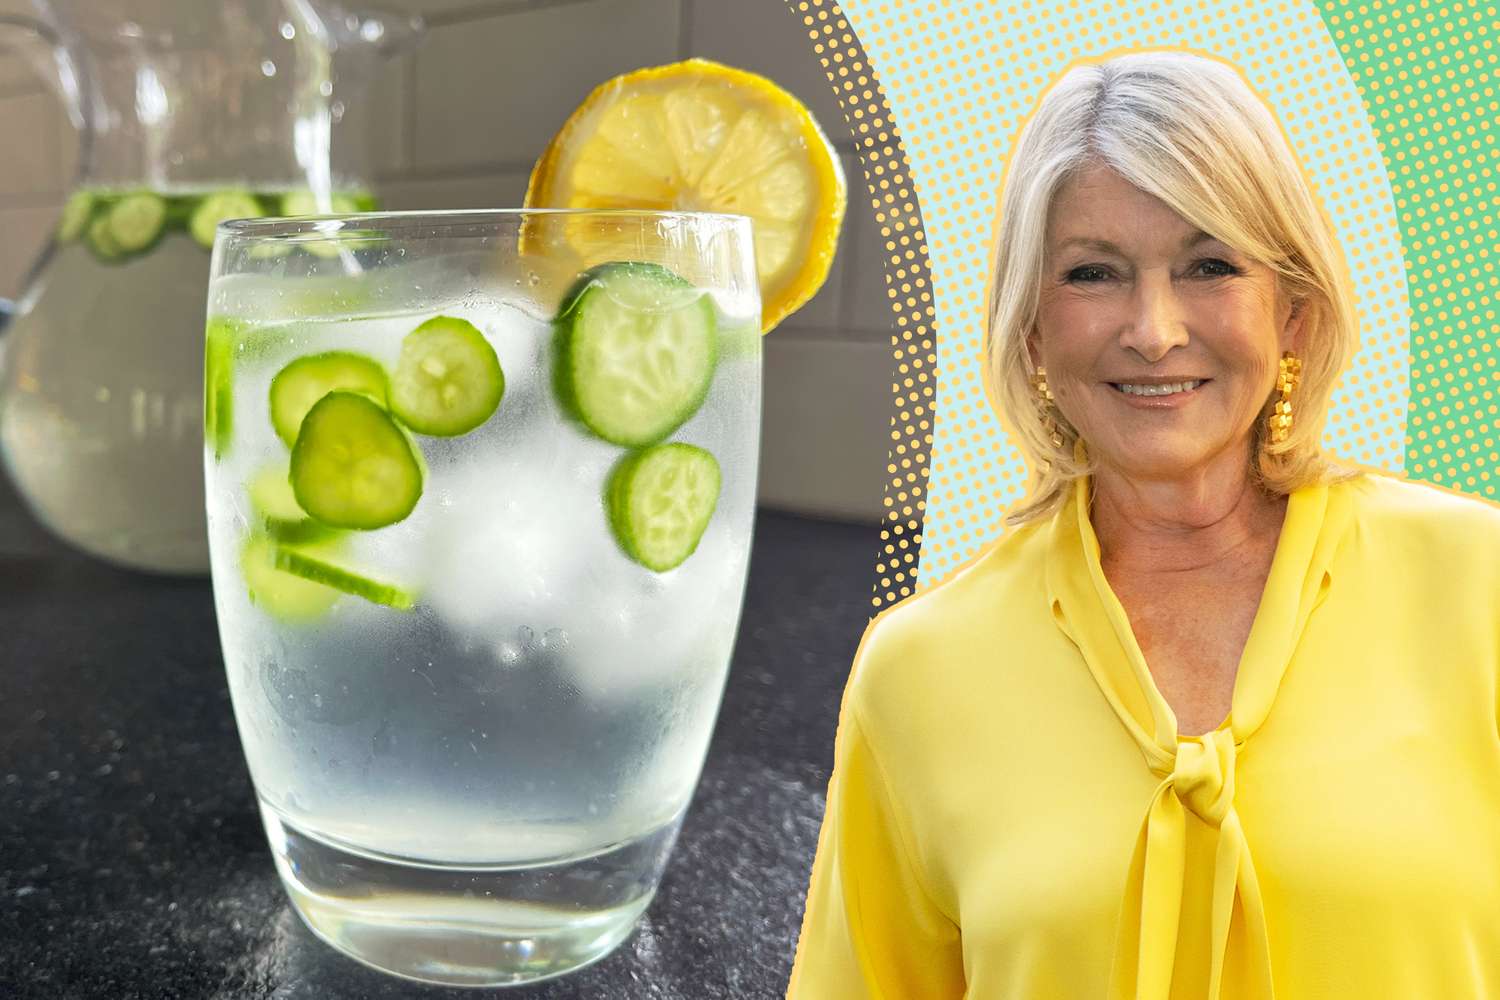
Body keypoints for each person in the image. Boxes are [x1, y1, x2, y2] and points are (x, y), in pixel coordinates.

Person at [788, 50, 1500, 999]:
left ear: (1290, 309)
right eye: (1094, 273)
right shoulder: (919, 668)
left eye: (1209, 265)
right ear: (1031, 327)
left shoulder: (1477, 585)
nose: (1155, 329)